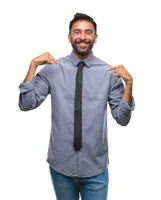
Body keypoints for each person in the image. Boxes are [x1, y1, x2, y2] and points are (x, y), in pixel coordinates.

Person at [18, 12, 135, 200]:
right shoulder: (53, 69)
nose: (82, 37)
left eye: (88, 33)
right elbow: (26, 104)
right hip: (61, 166)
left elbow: (122, 119)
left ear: (95, 38)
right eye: (77, 32)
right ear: (69, 37)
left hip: (95, 169)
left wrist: (129, 85)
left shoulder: (109, 73)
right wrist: (33, 65)